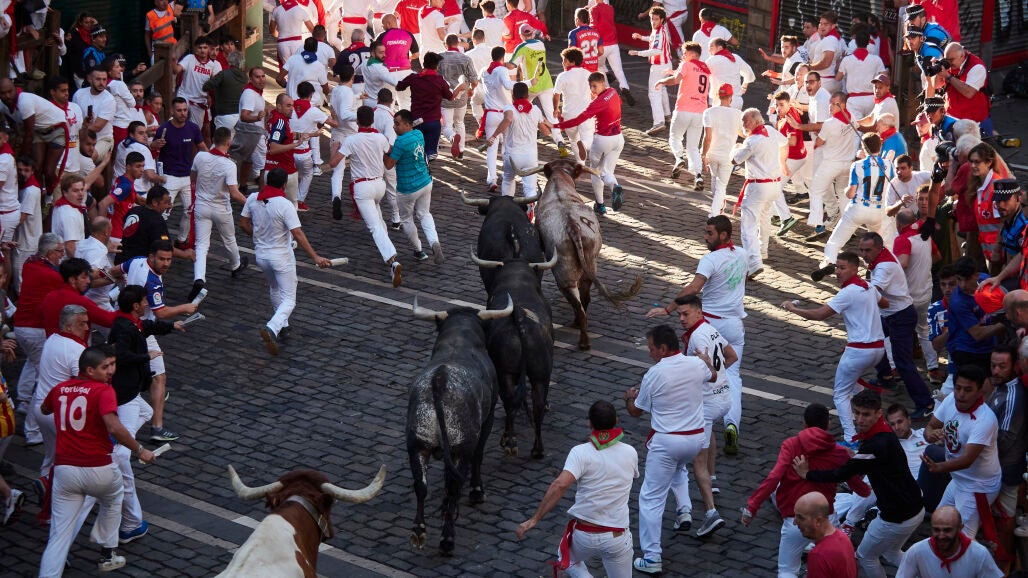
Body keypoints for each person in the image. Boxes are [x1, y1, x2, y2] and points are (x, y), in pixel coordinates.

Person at [38, 345, 156, 576]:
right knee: (114, 497)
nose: (111, 371)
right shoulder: (104, 391)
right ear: (89, 370)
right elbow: (114, 427)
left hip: (65, 470)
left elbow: (44, 410)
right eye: (105, 367)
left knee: (59, 536)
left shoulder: (60, 388)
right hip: (99, 467)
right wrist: (140, 449)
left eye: (112, 365)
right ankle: (108, 551)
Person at [793, 389, 924, 577]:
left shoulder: (875, 444)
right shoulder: (884, 432)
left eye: (866, 414)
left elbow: (841, 474)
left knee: (865, 556)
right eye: (857, 413)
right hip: (915, 507)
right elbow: (868, 461)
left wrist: (808, 474)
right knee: (890, 551)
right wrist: (857, 457)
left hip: (896, 516)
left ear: (878, 413)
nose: (860, 420)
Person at [624, 324, 721, 574]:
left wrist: (629, 397)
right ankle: (684, 510)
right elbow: (712, 376)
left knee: (651, 498)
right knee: (679, 469)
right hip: (695, 440)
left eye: (652, 349)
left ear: (664, 348)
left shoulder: (654, 374)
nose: (649, 353)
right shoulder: (696, 364)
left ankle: (652, 556)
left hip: (667, 442)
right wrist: (706, 361)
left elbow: (636, 411)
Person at [647, 216, 747, 455]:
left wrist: (668, 309)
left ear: (724, 235)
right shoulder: (743, 254)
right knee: (733, 376)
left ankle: (697, 420)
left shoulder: (710, 260)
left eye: (710, 233)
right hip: (734, 324)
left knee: (697, 372)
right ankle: (732, 424)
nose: (705, 237)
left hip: (709, 322)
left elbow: (693, 288)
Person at [742, 402, 870, 578]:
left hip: (795, 520)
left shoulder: (791, 445)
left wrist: (752, 508)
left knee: (787, 570)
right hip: (826, 519)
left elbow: (774, 477)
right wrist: (868, 490)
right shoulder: (839, 452)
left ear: (804, 423)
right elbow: (858, 487)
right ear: (828, 424)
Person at [514, 400, 637, 578]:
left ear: (589, 423)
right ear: (616, 421)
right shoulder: (631, 452)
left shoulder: (580, 453)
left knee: (566, 558)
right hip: (617, 537)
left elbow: (560, 484)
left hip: (585, 536)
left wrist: (534, 519)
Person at [107, 285, 183, 545]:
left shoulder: (132, 323)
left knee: (148, 410)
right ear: (135, 305)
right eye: (143, 301)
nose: (147, 303)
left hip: (132, 394)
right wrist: (145, 356)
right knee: (122, 455)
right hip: (126, 396)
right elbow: (121, 355)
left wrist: (172, 326)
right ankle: (119, 445)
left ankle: (118, 441)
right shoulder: (123, 329)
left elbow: (149, 327)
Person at [782, 251, 885, 442]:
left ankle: (851, 437)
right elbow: (885, 303)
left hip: (859, 351)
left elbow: (819, 314)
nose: (837, 271)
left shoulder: (848, 292)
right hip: (878, 350)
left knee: (840, 394)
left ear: (855, 269)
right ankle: (876, 424)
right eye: (837, 267)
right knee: (855, 387)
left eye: (842, 268)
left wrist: (792, 308)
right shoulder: (868, 286)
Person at [239, 168, 333, 355]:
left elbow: (243, 223)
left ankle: (284, 324)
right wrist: (315, 257)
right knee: (289, 299)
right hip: (281, 257)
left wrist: (257, 238)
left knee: (275, 288)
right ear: (284, 184)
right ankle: (273, 327)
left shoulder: (253, 198)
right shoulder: (285, 205)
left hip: (262, 256)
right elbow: (297, 233)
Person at [120, 240, 198, 442]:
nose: (166, 263)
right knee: (157, 377)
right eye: (162, 259)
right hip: (142, 330)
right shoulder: (153, 281)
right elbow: (161, 313)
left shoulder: (136, 261)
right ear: (151, 256)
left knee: (156, 377)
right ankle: (151, 428)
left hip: (129, 323)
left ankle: (154, 426)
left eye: (169, 259)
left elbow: (115, 271)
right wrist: (185, 308)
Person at [673, 294, 736, 530]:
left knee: (697, 460)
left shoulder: (697, 338)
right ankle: (713, 477)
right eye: (679, 314)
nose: (681, 319)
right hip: (724, 399)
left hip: (707, 404)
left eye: (685, 314)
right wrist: (720, 377)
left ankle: (711, 512)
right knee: (709, 435)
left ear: (699, 312)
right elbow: (732, 356)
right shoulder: (709, 328)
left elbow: (702, 372)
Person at [857, 232, 936, 418]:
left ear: (879, 248)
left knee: (903, 363)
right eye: (861, 250)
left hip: (900, 317)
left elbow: (872, 292)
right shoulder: (882, 256)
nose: (864, 255)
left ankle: (926, 403)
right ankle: (885, 376)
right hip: (891, 314)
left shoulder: (884, 267)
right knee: (873, 339)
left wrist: (851, 287)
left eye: (868, 250)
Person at [922, 364, 1002, 540]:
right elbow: (930, 426)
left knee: (959, 539)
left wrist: (939, 467)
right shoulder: (950, 400)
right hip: (958, 479)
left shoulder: (985, 420)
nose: (960, 394)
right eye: (958, 388)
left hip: (978, 486)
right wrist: (930, 435)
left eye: (968, 390)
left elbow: (967, 460)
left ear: (979, 392)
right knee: (939, 524)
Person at [30, 304, 90, 527]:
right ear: (68, 326)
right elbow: (83, 384)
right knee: (70, 461)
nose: (86, 328)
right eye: (82, 324)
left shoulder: (52, 340)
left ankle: (46, 493)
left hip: (41, 409)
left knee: (51, 456)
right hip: (60, 414)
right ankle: (51, 490)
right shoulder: (76, 350)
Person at [332, 106, 403, 287]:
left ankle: (392, 260)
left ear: (357, 121)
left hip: (362, 188)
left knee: (374, 227)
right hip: (379, 185)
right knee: (378, 219)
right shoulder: (380, 138)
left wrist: (335, 148)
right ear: (372, 121)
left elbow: (333, 163)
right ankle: (390, 256)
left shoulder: (351, 140)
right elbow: (391, 151)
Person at [814, 133, 895, 278]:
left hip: (857, 209)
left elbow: (850, 194)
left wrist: (846, 190)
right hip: (878, 211)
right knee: (878, 243)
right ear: (880, 146)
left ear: (863, 147)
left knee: (835, 241)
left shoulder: (857, 165)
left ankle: (830, 261)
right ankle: (874, 268)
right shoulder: (888, 164)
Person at [187, 126, 249, 301]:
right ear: (228, 142)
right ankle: (236, 265)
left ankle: (199, 278)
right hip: (221, 208)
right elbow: (234, 193)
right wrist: (249, 203)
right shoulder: (229, 165)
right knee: (229, 239)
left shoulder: (200, 156)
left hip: (202, 206)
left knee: (201, 245)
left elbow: (192, 178)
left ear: (213, 140)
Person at [553, 72, 624, 215]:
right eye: (591, 87)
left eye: (594, 86)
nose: (592, 89)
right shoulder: (613, 92)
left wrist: (557, 126)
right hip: (618, 139)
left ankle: (600, 205)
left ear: (602, 83)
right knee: (608, 171)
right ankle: (614, 187)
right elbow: (617, 104)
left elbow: (578, 119)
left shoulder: (596, 103)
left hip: (602, 140)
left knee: (596, 172)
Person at [984, 342, 1027, 566]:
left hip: (1005, 469)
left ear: (1015, 366)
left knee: (1004, 519)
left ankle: (1006, 562)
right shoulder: (1000, 387)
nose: (996, 371)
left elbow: (1006, 439)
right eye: (993, 365)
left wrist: (977, 454)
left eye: (1002, 366)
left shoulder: (1012, 395)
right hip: (996, 465)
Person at [730, 108, 787, 280]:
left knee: (748, 226)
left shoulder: (751, 141)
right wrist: (782, 163)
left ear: (755, 121)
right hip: (774, 185)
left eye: (745, 121)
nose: (743, 124)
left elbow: (734, 160)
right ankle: (762, 251)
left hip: (758, 187)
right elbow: (785, 142)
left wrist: (735, 147)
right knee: (764, 217)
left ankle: (754, 263)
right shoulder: (769, 130)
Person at [385, 110, 444, 263]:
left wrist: (385, 151)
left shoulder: (400, 142)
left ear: (407, 124)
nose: (394, 127)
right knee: (425, 214)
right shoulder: (419, 134)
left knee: (406, 219)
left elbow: (389, 165)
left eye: (397, 124)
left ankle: (418, 250)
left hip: (407, 189)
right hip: (425, 182)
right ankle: (434, 242)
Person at [894, 209, 942, 382]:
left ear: (899, 224)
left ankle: (896, 368)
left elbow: (902, 264)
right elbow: (937, 257)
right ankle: (933, 368)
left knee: (897, 332)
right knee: (924, 330)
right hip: (925, 292)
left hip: (906, 296)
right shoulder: (925, 237)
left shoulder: (902, 240)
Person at [152, 98, 207, 248]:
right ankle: (157, 240)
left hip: (187, 176)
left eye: (185, 110)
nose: (183, 113)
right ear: (172, 111)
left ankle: (181, 240)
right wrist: (155, 145)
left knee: (190, 210)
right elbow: (153, 149)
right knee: (163, 212)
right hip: (169, 177)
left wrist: (211, 161)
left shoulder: (193, 128)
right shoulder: (164, 129)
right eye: (179, 110)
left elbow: (203, 147)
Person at [805, 91, 859, 241]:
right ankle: (848, 229)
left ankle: (818, 225)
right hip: (847, 163)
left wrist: (818, 139)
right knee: (842, 193)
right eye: (830, 103)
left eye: (834, 104)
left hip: (831, 163)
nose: (830, 107)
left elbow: (819, 142)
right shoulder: (851, 118)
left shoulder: (830, 123)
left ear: (843, 104)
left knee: (816, 190)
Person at [655, 41, 708, 187]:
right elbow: (691, 77)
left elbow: (676, 80)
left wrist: (661, 81)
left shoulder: (686, 65)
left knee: (675, 137)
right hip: (700, 112)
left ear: (693, 54)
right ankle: (698, 176)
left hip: (684, 109)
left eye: (685, 53)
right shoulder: (705, 68)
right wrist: (674, 72)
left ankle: (679, 158)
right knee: (693, 147)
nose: (683, 56)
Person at [896, 506, 1002, 577]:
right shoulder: (916, 551)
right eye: (936, 530)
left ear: (960, 528)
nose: (941, 536)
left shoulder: (979, 554)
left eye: (947, 530)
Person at [490, 82, 550, 199]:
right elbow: (546, 131)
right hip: (530, 157)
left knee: (508, 179)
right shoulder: (536, 110)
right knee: (530, 188)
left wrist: (493, 136)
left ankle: (507, 203)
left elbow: (508, 119)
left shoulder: (509, 108)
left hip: (512, 155)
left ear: (513, 96)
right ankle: (531, 206)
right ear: (527, 96)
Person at [949, 257, 1004, 376]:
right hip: (967, 350)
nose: (963, 285)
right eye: (959, 279)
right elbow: (977, 334)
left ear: (976, 275)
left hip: (989, 346)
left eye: (967, 279)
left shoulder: (986, 281)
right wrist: (1007, 322)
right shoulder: (958, 301)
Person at [396, 52, 455, 161]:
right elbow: (450, 96)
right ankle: (427, 160)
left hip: (416, 121)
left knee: (416, 150)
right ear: (437, 66)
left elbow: (399, 87)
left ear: (424, 63)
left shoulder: (414, 77)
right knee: (431, 152)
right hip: (433, 121)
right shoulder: (439, 80)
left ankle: (421, 162)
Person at [509, 24, 559, 143]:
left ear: (521, 35)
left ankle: (528, 133)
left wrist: (502, 64)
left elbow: (512, 65)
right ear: (532, 34)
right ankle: (559, 141)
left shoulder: (521, 47)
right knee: (550, 114)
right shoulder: (541, 44)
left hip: (531, 85)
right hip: (545, 82)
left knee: (523, 109)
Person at [628, 7, 672, 136]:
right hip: (665, 64)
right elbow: (653, 39)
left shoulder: (659, 32)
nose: (653, 21)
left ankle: (658, 122)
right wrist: (641, 37)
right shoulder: (660, 29)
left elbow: (656, 50)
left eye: (656, 19)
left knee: (654, 93)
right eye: (652, 19)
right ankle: (667, 116)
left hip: (658, 66)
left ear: (662, 19)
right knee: (662, 90)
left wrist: (637, 53)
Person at [793, 492, 857, 578]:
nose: (795, 522)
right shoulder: (843, 537)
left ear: (818, 521)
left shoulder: (818, 555)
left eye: (800, 518)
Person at [702, 84, 742, 218]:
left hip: (712, 153)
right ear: (731, 97)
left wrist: (703, 154)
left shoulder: (709, 112)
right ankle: (715, 213)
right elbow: (743, 133)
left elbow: (707, 137)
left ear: (718, 95)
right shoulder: (738, 114)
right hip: (728, 156)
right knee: (721, 186)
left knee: (715, 180)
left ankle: (718, 207)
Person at [479, 46, 516, 192]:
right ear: (503, 57)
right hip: (505, 114)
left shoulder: (484, 71)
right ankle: (507, 175)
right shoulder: (501, 70)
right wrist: (527, 82)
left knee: (491, 148)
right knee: (507, 147)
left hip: (491, 114)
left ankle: (492, 179)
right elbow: (508, 85)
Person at [172, 36, 221, 145]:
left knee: (194, 134)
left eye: (205, 47)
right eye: (200, 47)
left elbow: (216, 83)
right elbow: (176, 70)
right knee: (177, 124)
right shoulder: (190, 58)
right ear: (195, 49)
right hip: (184, 96)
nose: (202, 50)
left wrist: (208, 95)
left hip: (199, 103)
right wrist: (173, 59)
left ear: (209, 49)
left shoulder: (212, 66)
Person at [290, 82, 330, 212]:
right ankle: (299, 201)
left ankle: (287, 198)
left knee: (289, 175)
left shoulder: (289, 107)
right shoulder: (314, 111)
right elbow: (333, 123)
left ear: (298, 93)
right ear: (311, 95)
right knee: (308, 174)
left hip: (287, 150)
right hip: (303, 153)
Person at [773, 92, 810, 229]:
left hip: (794, 158)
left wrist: (773, 142)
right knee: (774, 185)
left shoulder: (789, 117)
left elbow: (792, 141)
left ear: (788, 104)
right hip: (795, 156)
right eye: (776, 105)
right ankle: (775, 215)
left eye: (781, 105)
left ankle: (786, 218)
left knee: (774, 187)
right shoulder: (788, 111)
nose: (778, 108)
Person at [438, 34, 477, 160]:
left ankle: (452, 137)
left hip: (445, 98)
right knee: (460, 123)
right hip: (462, 98)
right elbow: (474, 80)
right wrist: (471, 90)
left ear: (445, 44)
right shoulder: (466, 59)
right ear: (458, 43)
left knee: (447, 126)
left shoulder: (439, 58)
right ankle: (461, 151)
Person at [553, 47, 593, 162]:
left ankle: (580, 164)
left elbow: (556, 95)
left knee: (574, 140)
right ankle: (585, 145)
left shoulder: (563, 76)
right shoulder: (588, 74)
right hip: (586, 114)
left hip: (569, 114)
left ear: (572, 62)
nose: (563, 63)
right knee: (588, 137)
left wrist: (556, 109)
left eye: (564, 60)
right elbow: (594, 93)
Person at [588, 0, 632, 105]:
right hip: (613, 43)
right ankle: (625, 87)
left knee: (599, 67)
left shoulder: (593, 9)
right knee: (618, 70)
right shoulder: (610, 8)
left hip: (602, 44)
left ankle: (607, 91)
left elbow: (594, 26)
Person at [72, 67, 116, 163]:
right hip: (80, 136)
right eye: (98, 79)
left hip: (103, 139)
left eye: (104, 79)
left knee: (88, 159)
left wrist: (80, 127)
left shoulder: (109, 99)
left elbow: (97, 127)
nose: (102, 83)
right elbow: (73, 118)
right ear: (89, 79)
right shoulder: (78, 94)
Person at [377, 14, 419, 111]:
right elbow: (416, 54)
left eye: (383, 25)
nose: (382, 27)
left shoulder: (382, 36)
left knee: (387, 104)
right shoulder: (408, 34)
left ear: (388, 24)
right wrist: (407, 58)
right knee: (406, 103)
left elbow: (375, 55)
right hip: (406, 72)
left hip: (388, 73)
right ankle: (405, 121)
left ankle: (389, 120)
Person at [14, 157, 44, 290]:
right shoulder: (23, 187)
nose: (22, 173)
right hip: (25, 242)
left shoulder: (30, 191)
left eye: (26, 170)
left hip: (26, 244)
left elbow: (20, 219)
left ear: (32, 171)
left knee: (21, 281)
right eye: (19, 170)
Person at [203, 51, 248, 134]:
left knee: (221, 141)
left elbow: (206, 86)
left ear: (229, 61)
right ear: (241, 63)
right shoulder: (244, 77)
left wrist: (212, 77)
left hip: (225, 116)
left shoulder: (223, 74)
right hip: (240, 116)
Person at [705, 38, 754, 111]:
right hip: (736, 101)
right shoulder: (736, 57)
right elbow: (749, 73)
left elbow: (701, 75)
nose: (709, 50)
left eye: (711, 47)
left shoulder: (711, 60)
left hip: (719, 101)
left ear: (720, 48)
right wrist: (744, 86)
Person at [51, 173, 90, 258]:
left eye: (82, 189)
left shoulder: (66, 206)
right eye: (75, 191)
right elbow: (70, 247)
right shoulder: (69, 214)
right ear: (65, 193)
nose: (81, 194)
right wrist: (79, 265)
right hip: (70, 262)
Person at [270, 0, 315, 66]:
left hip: (282, 43)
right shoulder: (300, 10)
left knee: (286, 68)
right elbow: (312, 29)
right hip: (297, 43)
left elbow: (272, 30)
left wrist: (280, 35)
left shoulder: (277, 10)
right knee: (298, 67)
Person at [809, 11, 843, 94]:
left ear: (833, 26)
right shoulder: (833, 39)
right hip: (826, 80)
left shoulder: (830, 40)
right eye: (821, 23)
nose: (822, 26)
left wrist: (810, 67)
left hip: (824, 82)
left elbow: (826, 62)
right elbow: (837, 62)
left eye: (826, 24)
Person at [566, 8, 603, 72]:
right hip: (594, 67)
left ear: (577, 19)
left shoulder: (573, 33)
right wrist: (591, 58)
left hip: (580, 68)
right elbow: (601, 51)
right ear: (588, 19)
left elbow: (571, 54)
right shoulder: (596, 32)